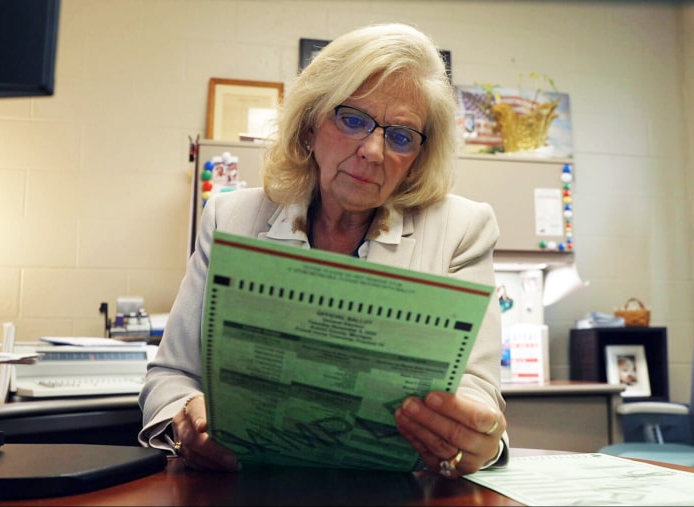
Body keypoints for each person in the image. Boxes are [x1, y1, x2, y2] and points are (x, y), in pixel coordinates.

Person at [138, 22, 509, 479]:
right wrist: (188, 421)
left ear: (417, 157)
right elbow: (170, 375)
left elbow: (476, 387)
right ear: (310, 126)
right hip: (246, 486)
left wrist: (469, 437)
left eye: (400, 136)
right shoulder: (231, 219)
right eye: (352, 120)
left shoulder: (462, 230)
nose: (373, 150)